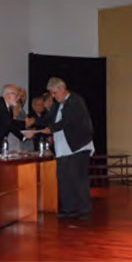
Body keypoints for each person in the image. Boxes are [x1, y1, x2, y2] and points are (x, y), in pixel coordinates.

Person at [42, 77, 94, 220]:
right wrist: (34, 123)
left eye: (54, 93)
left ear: (61, 89)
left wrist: (51, 129)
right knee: (64, 177)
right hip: (63, 148)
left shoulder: (75, 101)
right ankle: (68, 208)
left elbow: (68, 121)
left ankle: (83, 208)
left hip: (78, 146)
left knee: (78, 177)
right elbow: (50, 118)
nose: (53, 96)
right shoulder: (58, 105)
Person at [7, 87, 34, 152]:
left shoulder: (22, 113)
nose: (19, 110)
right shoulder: (7, 120)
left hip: (20, 151)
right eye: (21, 96)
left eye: (25, 96)